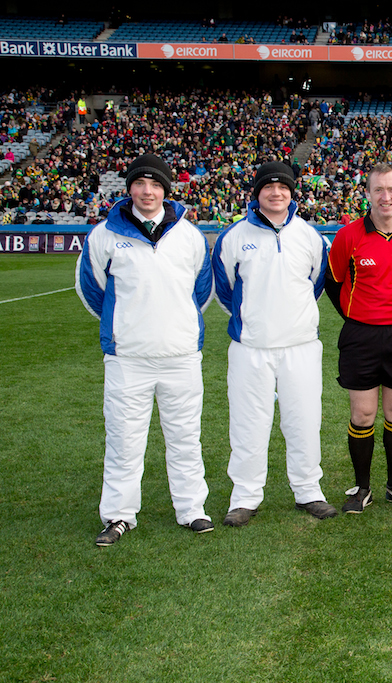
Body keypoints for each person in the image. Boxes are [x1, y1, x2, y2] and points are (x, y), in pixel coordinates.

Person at [76, 154, 214, 546]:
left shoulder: (189, 235)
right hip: (128, 359)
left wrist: (180, 326)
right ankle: (119, 515)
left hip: (181, 356)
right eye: (140, 184)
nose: (147, 191)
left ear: (166, 190)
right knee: (123, 439)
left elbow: (199, 291)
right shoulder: (105, 234)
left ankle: (192, 510)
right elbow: (92, 289)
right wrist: (123, 328)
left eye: (155, 185)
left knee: (186, 436)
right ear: (129, 189)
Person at [213, 161, 337, 527]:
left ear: (291, 192)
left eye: (283, 186)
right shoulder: (233, 237)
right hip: (251, 348)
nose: (276, 192)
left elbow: (315, 285)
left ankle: (308, 490)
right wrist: (251, 322)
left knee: (303, 421)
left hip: (300, 347)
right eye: (268, 187)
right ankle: (245, 497)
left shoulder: (310, 237)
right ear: (257, 193)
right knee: (248, 424)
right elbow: (225, 290)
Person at [325, 164, 392, 513]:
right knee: (363, 414)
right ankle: (362, 487)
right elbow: (333, 283)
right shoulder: (348, 236)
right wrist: (357, 318)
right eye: (378, 190)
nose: (386, 197)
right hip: (360, 337)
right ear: (367, 194)